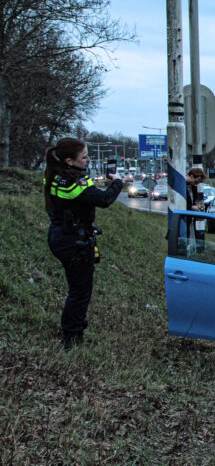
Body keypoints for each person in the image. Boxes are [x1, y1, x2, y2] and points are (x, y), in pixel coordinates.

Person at [44, 138, 123, 349]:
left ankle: (73, 331)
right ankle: (72, 338)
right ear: (69, 161)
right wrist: (117, 182)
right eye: (84, 157)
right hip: (74, 241)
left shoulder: (54, 176)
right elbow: (104, 199)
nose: (88, 160)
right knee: (80, 292)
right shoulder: (76, 183)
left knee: (76, 289)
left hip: (59, 235)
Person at [185, 168, 207, 250]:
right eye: (196, 181)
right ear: (191, 176)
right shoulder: (181, 186)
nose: (196, 184)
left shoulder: (192, 188)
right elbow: (179, 203)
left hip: (190, 220)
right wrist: (191, 207)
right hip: (184, 220)